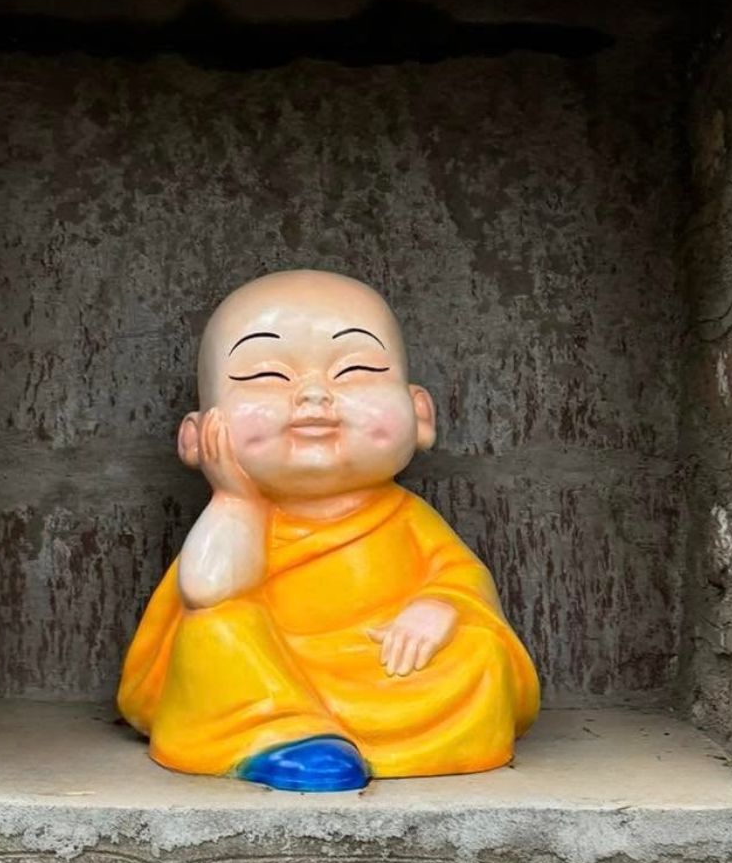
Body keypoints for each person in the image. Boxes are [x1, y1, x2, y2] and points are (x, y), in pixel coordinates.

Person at [118, 269, 539, 791]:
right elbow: (209, 589)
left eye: (357, 370)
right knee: (217, 629)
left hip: (378, 661)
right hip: (261, 669)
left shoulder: (406, 516)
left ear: (419, 413)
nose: (314, 396)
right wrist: (234, 496)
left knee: (479, 653)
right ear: (196, 436)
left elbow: (462, 580)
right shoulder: (243, 515)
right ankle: (280, 734)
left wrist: (440, 607)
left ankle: (339, 728)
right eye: (266, 377)